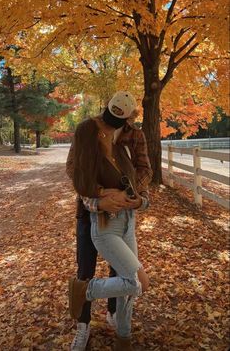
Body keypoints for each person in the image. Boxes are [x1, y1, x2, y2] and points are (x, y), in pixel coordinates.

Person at [67, 91, 151, 350]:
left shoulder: (134, 135)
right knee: (85, 269)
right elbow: (74, 169)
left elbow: (145, 170)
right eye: (109, 115)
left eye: (119, 119)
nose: (111, 123)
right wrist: (99, 198)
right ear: (106, 107)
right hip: (91, 215)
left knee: (123, 273)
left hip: (125, 216)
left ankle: (115, 317)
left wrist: (134, 196)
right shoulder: (87, 130)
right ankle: (83, 326)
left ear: (128, 118)